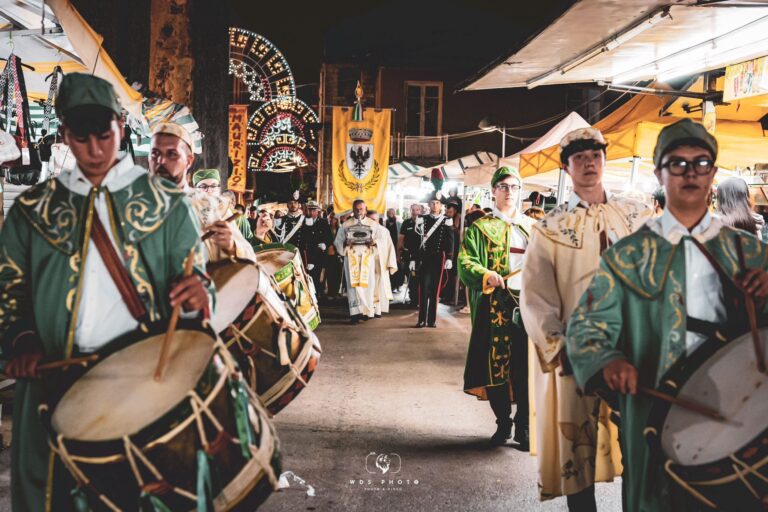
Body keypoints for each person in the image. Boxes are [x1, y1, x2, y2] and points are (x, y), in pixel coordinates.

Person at [0, 73, 213, 511]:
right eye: (82, 138)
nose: (95, 149)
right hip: (52, 386)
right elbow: (9, 286)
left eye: (105, 134)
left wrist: (197, 292)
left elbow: (194, 276)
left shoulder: (168, 206)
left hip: (144, 383)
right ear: (64, 134)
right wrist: (21, 338)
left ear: (121, 125)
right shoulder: (31, 210)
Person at [567, 119, 768, 512]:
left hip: (745, 406)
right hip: (657, 407)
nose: (690, 172)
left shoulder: (750, 252)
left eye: (701, 162)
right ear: (660, 173)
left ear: (713, 172)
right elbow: (586, 327)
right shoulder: (628, 257)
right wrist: (609, 360)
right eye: (677, 163)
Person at [521, 127, 650, 509]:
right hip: (577, 351)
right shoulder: (549, 227)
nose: (589, 163)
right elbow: (536, 293)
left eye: (595, 155)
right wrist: (556, 344)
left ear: (605, 160)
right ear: (567, 167)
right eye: (580, 158)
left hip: (633, 347)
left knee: (639, 445)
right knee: (577, 446)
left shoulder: (637, 215)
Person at [458, 167, 533, 448]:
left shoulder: (533, 228)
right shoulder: (480, 228)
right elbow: (466, 263)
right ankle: (504, 422)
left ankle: (524, 427)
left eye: (514, 187)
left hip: (528, 306)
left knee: (526, 368)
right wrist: (485, 275)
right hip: (495, 307)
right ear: (493, 191)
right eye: (503, 186)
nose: (509, 192)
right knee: (494, 367)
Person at [149, 125, 255, 263]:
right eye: (155, 153)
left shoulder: (216, 208)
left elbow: (250, 259)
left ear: (188, 160)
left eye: (172, 154)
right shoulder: (133, 203)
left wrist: (230, 245)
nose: (161, 161)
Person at [334, 199, 381, 323]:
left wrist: (374, 243)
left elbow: (380, 240)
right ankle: (354, 313)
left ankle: (365, 311)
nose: (359, 211)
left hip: (367, 256)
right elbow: (338, 241)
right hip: (351, 256)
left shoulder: (373, 224)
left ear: (365, 209)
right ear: (353, 209)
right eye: (356, 209)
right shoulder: (346, 224)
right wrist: (345, 243)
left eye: (361, 209)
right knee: (353, 285)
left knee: (367, 284)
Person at [415, 199, 454, 328]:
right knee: (424, 288)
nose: (435, 205)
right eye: (432, 203)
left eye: (437, 203)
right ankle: (421, 320)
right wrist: (412, 258)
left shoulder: (446, 220)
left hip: (438, 257)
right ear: (429, 205)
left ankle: (431, 320)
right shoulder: (422, 219)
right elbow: (416, 240)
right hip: (425, 257)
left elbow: (450, 240)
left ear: (441, 205)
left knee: (435, 289)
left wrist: (449, 257)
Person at [367, 210, 398, 316]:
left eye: (374, 219)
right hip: (366, 263)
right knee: (368, 286)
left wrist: (391, 263)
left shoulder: (384, 231)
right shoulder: (362, 230)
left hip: (380, 262)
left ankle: (377, 310)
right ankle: (368, 310)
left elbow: (389, 246)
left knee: (379, 286)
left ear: (378, 219)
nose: (372, 222)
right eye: (369, 219)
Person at [305, 200, 333, 299]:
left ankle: (318, 294)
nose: (312, 213)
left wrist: (325, 243)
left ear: (318, 211)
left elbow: (329, 237)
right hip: (307, 254)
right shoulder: (303, 222)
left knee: (319, 276)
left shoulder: (323, 222)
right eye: (310, 210)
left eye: (314, 210)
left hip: (320, 255)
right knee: (308, 276)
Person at [398, 204, 422, 308]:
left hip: (420, 255)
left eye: (417, 210)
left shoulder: (424, 222)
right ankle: (413, 299)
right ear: (410, 211)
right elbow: (401, 239)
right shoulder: (406, 223)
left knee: (419, 278)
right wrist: (398, 253)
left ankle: (419, 300)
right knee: (410, 277)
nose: (415, 212)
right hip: (408, 254)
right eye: (413, 210)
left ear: (420, 211)